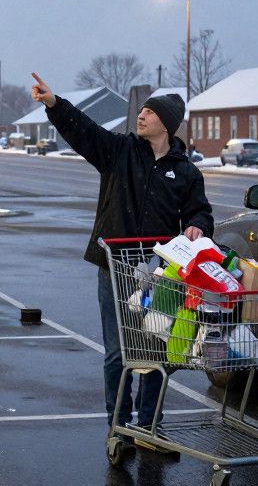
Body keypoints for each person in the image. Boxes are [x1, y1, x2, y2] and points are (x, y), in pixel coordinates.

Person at [31, 72, 213, 447]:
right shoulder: (119, 152)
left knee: (156, 353)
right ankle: (119, 425)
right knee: (120, 352)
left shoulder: (185, 171)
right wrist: (55, 103)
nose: (141, 116)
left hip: (161, 275)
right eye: (142, 110)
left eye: (149, 112)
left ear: (167, 123)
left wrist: (196, 225)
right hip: (115, 267)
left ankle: (148, 427)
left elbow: (201, 212)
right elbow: (83, 130)